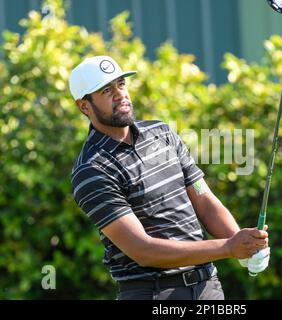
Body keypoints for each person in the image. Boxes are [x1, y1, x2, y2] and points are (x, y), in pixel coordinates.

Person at [69, 55, 270, 300]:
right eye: (106, 90)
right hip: (152, 293)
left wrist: (246, 245)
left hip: (207, 286)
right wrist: (229, 247)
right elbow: (144, 250)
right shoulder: (91, 170)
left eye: (121, 84)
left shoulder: (162, 133)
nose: (120, 94)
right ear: (84, 106)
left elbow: (204, 201)